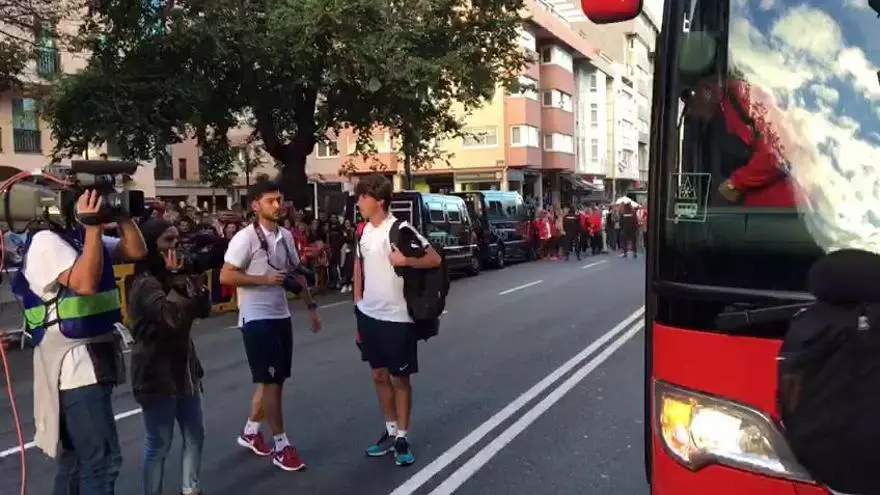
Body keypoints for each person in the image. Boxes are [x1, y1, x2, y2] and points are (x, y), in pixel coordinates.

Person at [14, 190, 147, 494]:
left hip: (91, 360)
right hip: (74, 368)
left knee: (76, 461)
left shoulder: (75, 238)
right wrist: (92, 228)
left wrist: (122, 214)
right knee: (101, 462)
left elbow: (135, 251)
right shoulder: (47, 242)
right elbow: (85, 283)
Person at [219, 181, 322, 472]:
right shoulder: (245, 238)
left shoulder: (286, 236)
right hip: (256, 317)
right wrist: (262, 280)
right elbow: (226, 276)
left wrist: (311, 306)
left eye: (280, 200)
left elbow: (295, 273)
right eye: (270, 201)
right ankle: (281, 445)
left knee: (273, 381)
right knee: (272, 382)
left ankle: (251, 431)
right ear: (255, 205)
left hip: (280, 315)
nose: (277, 205)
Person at [353, 174, 442, 467]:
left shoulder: (400, 228)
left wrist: (406, 261)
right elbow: (358, 267)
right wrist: (358, 306)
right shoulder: (363, 231)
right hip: (370, 315)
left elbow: (434, 259)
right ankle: (390, 432)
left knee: (399, 379)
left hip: (397, 317)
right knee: (378, 375)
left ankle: (403, 436)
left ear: (379, 200)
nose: (358, 203)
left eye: (363, 197)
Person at [128, 219, 211, 495]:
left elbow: (202, 311)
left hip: (184, 371)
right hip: (156, 373)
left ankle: (191, 488)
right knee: (159, 444)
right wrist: (178, 284)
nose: (176, 246)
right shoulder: (144, 284)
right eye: (168, 241)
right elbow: (171, 319)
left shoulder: (176, 275)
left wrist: (196, 285)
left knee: (195, 434)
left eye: (178, 240)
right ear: (151, 247)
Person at [686, 78, 795, 207]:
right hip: (753, 213)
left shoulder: (746, 96)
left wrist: (734, 184)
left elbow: (776, 152)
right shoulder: (719, 121)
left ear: (706, 89)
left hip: (782, 210)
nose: (690, 111)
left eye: (691, 98)